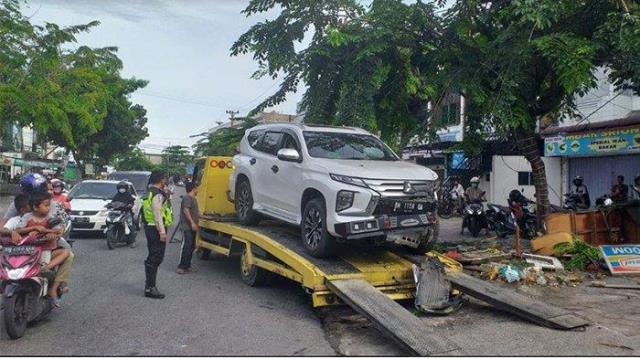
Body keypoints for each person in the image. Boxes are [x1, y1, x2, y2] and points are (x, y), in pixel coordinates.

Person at [12, 192, 71, 306]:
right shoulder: (27, 217)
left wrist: (50, 233)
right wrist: (32, 229)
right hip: (27, 250)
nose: (49, 208)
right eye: (46, 205)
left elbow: (58, 230)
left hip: (45, 248)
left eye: (49, 205)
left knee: (62, 254)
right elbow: (18, 230)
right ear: (35, 207)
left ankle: (45, 268)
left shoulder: (50, 218)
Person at [142, 171, 174, 299]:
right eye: (164, 179)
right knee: (156, 257)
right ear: (161, 180)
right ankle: (150, 287)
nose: (165, 181)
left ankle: (149, 285)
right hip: (155, 229)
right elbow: (157, 215)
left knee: (153, 256)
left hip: (149, 227)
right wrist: (162, 231)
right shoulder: (157, 195)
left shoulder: (148, 192)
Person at [177, 182, 199, 274]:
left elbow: (195, 212)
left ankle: (187, 266)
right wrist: (192, 223)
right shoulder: (187, 198)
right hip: (187, 227)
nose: (198, 190)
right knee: (186, 246)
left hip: (192, 227)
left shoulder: (193, 199)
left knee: (191, 246)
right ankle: (181, 267)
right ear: (193, 189)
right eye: (197, 188)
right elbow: (186, 211)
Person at [111, 181, 137, 246]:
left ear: (126, 188)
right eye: (120, 188)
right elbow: (113, 202)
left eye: (123, 188)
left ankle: (132, 241)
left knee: (129, 225)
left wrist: (130, 205)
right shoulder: (116, 195)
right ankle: (115, 238)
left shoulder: (128, 195)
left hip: (126, 212)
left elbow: (132, 202)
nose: (121, 189)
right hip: (118, 213)